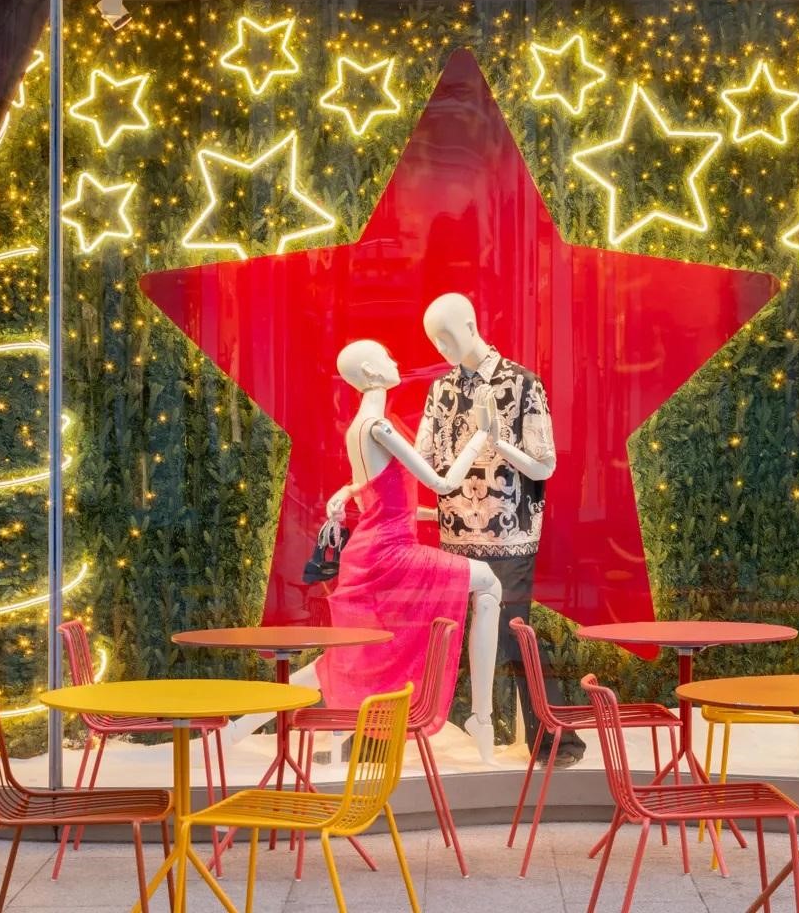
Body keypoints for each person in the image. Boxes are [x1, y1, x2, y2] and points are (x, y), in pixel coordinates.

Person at [225, 338, 502, 763]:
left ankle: (239, 726)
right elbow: (443, 483)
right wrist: (482, 434)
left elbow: (379, 494)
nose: (396, 360)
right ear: (372, 373)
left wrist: (357, 495)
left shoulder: (358, 428)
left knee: (341, 662)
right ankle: (481, 717)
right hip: (390, 556)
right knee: (489, 583)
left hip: (375, 550)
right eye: (388, 357)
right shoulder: (379, 428)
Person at [416, 292, 583, 767]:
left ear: (471, 325)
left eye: (447, 336)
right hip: (455, 533)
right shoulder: (441, 390)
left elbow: (545, 465)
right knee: (453, 635)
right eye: (434, 340)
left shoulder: (522, 384)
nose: (442, 348)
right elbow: (426, 458)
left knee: (513, 632)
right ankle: (452, 725)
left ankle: (553, 738)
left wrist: (498, 442)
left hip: (509, 532)